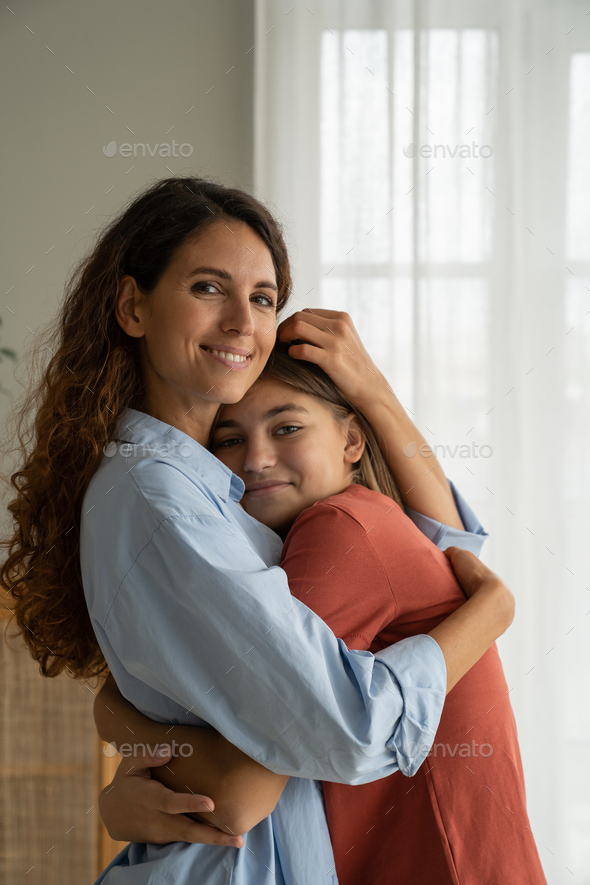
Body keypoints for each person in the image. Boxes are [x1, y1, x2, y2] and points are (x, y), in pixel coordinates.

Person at [1, 176, 509, 885]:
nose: (243, 320)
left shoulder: (225, 495)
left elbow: (425, 561)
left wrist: (119, 720)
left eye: (264, 298)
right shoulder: (163, 499)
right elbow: (346, 727)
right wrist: (492, 610)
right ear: (133, 306)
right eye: (209, 287)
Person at [96, 344, 545, 885]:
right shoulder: (363, 521)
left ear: (352, 440)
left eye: (286, 429)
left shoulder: (338, 529)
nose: (256, 459)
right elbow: (450, 537)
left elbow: (240, 794)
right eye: (230, 440)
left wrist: (115, 717)